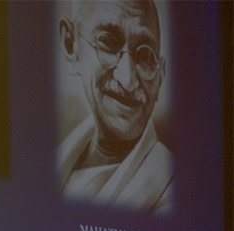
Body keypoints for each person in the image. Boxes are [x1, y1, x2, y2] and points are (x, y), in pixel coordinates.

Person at [57, 0, 173, 213]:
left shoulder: (170, 190)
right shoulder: (58, 160)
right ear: (71, 45)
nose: (127, 79)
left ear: (160, 76)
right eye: (109, 42)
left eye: (145, 56)